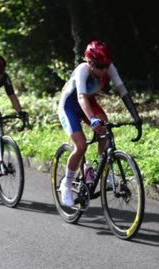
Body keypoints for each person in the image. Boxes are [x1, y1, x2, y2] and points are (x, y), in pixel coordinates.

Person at [58, 40, 142, 207]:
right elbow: (81, 97)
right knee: (81, 146)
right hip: (69, 106)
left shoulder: (109, 67)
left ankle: (100, 170)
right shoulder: (82, 70)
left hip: (88, 102)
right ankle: (66, 185)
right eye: (100, 66)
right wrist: (92, 118)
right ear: (90, 62)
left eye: (106, 65)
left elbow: (123, 92)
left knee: (105, 128)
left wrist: (136, 117)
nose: (104, 70)